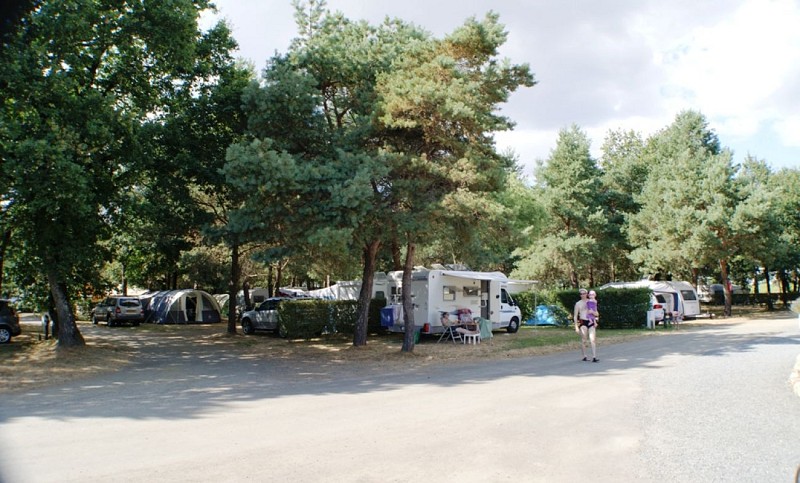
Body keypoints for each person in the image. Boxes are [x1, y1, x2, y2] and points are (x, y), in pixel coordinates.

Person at [573, 288, 599, 362]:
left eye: (584, 293)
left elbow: (597, 313)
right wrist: (576, 326)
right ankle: (585, 356)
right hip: (583, 322)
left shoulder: (591, 301)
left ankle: (594, 357)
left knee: (592, 339)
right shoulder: (578, 304)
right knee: (584, 340)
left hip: (591, 321)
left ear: (587, 294)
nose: (582, 295)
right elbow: (575, 316)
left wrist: (593, 314)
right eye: (581, 294)